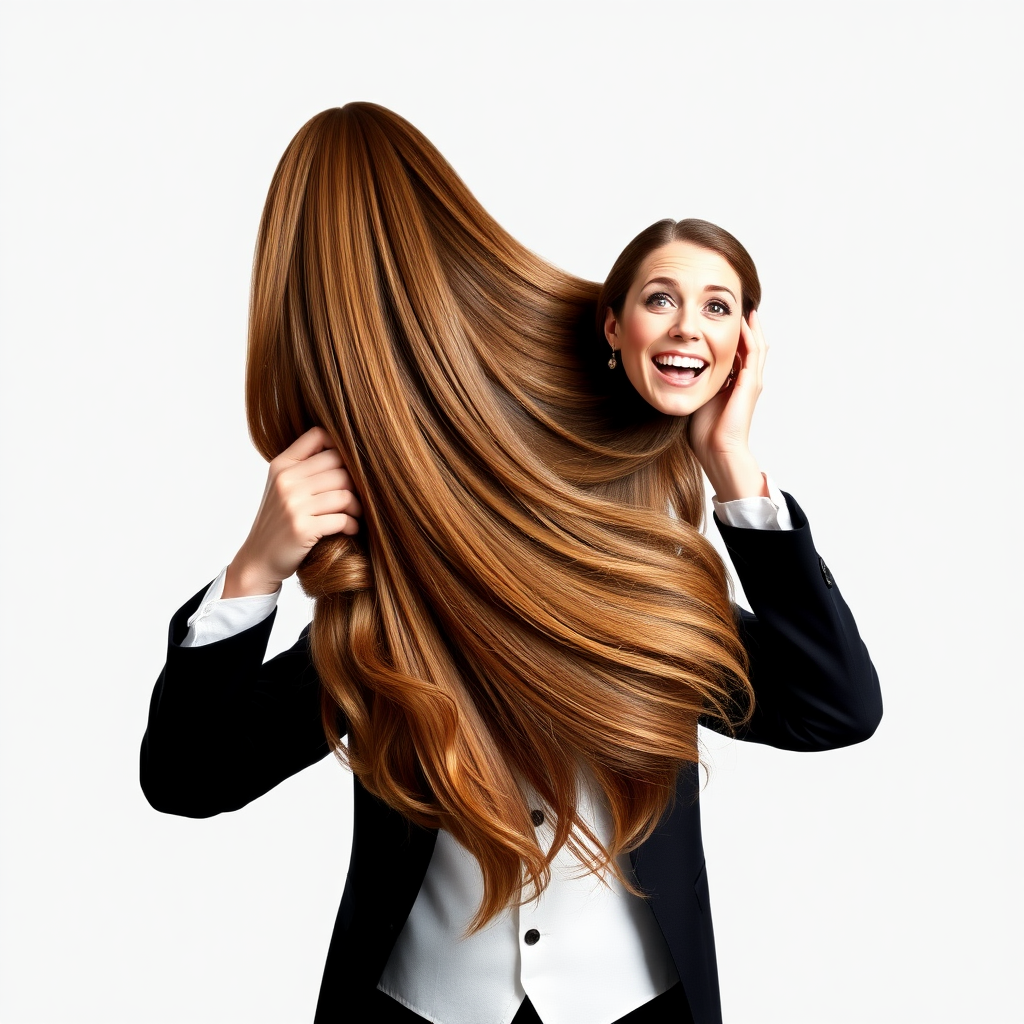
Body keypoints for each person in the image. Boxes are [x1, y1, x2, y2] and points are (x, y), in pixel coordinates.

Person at [140, 103, 881, 1024]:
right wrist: (255, 569)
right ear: (610, 328)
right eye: (662, 299)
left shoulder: (642, 589)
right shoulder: (389, 618)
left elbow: (835, 708)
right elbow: (188, 778)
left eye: (716, 307)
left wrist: (734, 472)